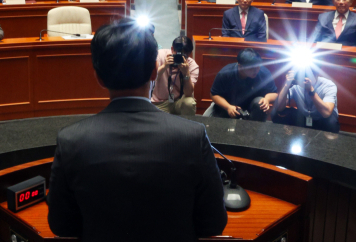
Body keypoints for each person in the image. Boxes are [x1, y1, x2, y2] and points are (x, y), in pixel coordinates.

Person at [47, 17, 227, 241]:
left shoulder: (70, 140)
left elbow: (60, 225)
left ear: (99, 78)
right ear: (154, 72)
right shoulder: (193, 136)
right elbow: (213, 223)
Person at [206, 48, 278, 121]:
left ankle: (256, 130)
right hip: (229, 105)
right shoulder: (226, 73)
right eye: (252, 68)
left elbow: (274, 93)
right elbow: (214, 94)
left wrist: (267, 99)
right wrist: (228, 107)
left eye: (258, 66)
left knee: (260, 103)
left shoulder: (264, 73)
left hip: (252, 108)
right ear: (240, 66)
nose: (256, 71)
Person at [273, 67, 340, 133]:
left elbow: (326, 113)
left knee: (331, 123)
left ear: (316, 72)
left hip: (321, 119)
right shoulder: (295, 83)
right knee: (275, 113)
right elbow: (279, 108)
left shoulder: (328, 85)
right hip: (303, 117)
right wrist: (286, 85)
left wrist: (310, 90)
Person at [150, 36, 199, 115]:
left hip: (178, 102)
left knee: (189, 102)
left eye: (184, 56)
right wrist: (164, 66)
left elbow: (188, 93)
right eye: (177, 55)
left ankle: (187, 126)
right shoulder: (160, 55)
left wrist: (186, 74)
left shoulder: (192, 65)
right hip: (159, 102)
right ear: (172, 49)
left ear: (189, 54)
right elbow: (151, 79)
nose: (180, 58)